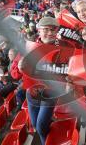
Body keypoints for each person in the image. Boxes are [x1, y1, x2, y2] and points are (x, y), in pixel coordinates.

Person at [19, 16, 80, 145]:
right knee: (37, 126)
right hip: (32, 92)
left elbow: (74, 67)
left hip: (50, 92)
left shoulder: (66, 46)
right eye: (46, 29)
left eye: (53, 30)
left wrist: (70, 81)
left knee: (41, 126)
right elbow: (18, 72)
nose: (50, 33)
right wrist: (20, 67)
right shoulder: (29, 46)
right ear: (39, 30)